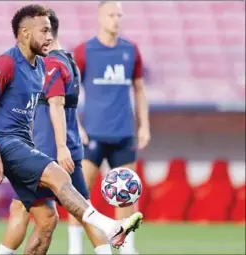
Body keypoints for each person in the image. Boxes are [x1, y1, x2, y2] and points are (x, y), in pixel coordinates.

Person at [0, 4, 143, 255]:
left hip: (23, 144)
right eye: (44, 31)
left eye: (51, 31)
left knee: (47, 221)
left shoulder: (40, 67)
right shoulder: (6, 63)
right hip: (4, 143)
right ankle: (110, 227)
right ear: (25, 33)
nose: (50, 37)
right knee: (59, 177)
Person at [0, 9, 114, 255]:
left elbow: (56, 105)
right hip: (71, 148)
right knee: (84, 212)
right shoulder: (69, 62)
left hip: (45, 150)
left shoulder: (48, 64)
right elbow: (69, 106)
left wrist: (59, 147)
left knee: (20, 210)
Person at [71, 1, 151, 254]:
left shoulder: (131, 51)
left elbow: (139, 89)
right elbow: (68, 93)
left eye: (119, 15)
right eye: (111, 15)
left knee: (126, 195)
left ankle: (127, 247)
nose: (116, 19)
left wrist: (144, 125)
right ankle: (75, 248)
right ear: (100, 17)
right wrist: (76, 127)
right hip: (91, 135)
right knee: (79, 196)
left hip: (123, 134)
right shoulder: (84, 51)